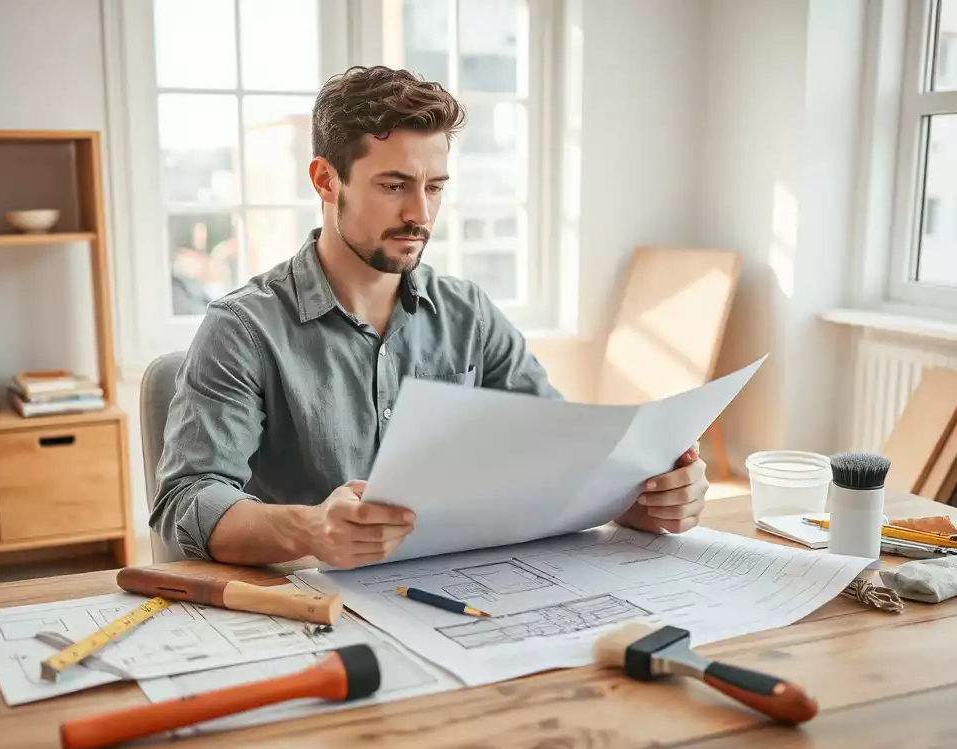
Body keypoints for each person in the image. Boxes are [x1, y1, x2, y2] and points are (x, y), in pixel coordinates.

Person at [151, 65, 709, 568]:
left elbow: (557, 458)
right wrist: (310, 529)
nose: (420, 213)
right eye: (394, 186)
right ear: (326, 180)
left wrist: (634, 499)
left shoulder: (469, 314)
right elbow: (187, 502)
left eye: (434, 187)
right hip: (309, 608)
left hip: (460, 591)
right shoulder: (243, 329)